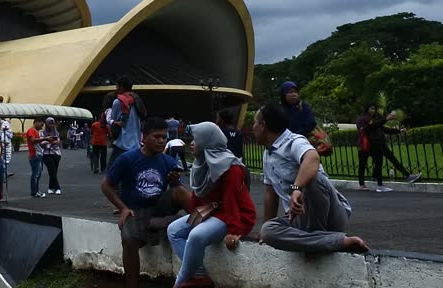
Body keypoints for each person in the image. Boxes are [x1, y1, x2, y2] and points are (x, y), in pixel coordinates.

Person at [255, 103, 369, 253]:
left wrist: (297, 188)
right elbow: (271, 194)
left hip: (330, 217)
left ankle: (316, 241)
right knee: (268, 230)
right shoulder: (267, 154)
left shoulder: (294, 141)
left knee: (313, 178)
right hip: (300, 220)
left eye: (255, 123)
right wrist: (264, 236)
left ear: (263, 125)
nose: (253, 127)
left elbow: (312, 157)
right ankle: (334, 242)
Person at [101, 116, 190, 288]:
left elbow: (176, 190)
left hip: (158, 206)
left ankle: (198, 225)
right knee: (129, 240)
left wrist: (174, 182)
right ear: (144, 137)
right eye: (156, 137)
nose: (161, 141)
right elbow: (106, 186)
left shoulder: (168, 161)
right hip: (136, 210)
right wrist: (123, 208)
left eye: (164, 137)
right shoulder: (128, 159)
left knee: (180, 191)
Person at [166, 122, 256, 288]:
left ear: (208, 141)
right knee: (173, 230)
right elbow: (198, 195)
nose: (191, 143)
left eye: (196, 139)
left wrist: (234, 231)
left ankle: (180, 282)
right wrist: (195, 216)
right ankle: (199, 276)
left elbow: (232, 200)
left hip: (234, 214)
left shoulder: (230, 167)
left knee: (196, 236)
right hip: (211, 212)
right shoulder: (201, 163)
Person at [356, 104, 421, 191]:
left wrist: (399, 131)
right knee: (367, 164)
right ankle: (372, 184)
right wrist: (386, 119)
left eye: (374, 109)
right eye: (371, 109)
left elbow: (383, 129)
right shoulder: (365, 119)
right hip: (370, 145)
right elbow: (374, 125)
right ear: (366, 109)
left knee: (390, 159)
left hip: (378, 144)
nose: (373, 111)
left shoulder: (374, 120)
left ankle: (407, 176)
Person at [108, 76, 147, 168]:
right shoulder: (137, 100)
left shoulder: (118, 102)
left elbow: (113, 119)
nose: (116, 89)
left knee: (112, 172)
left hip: (122, 143)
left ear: (121, 87)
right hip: (136, 144)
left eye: (117, 86)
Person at [40, 117, 63, 195]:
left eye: (52, 124)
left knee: (53, 172)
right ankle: (57, 188)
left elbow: (59, 142)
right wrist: (48, 141)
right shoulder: (42, 133)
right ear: (46, 124)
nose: (51, 125)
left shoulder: (56, 132)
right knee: (52, 171)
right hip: (47, 154)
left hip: (56, 154)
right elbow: (41, 143)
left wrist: (56, 142)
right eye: (49, 124)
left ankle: (50, 187)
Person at [26, 117, 46, 198]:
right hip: (34, 155)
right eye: (41, 125)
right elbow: (33, 140)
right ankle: (34, 192)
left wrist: (46, 141)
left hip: (37, 154)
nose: (41, 127)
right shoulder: (31, 130)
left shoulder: (35, 131)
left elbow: (37, 143)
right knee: (36, 174)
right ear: (37, 122)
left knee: (37, 174)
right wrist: (45, 138)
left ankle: (36, 191)